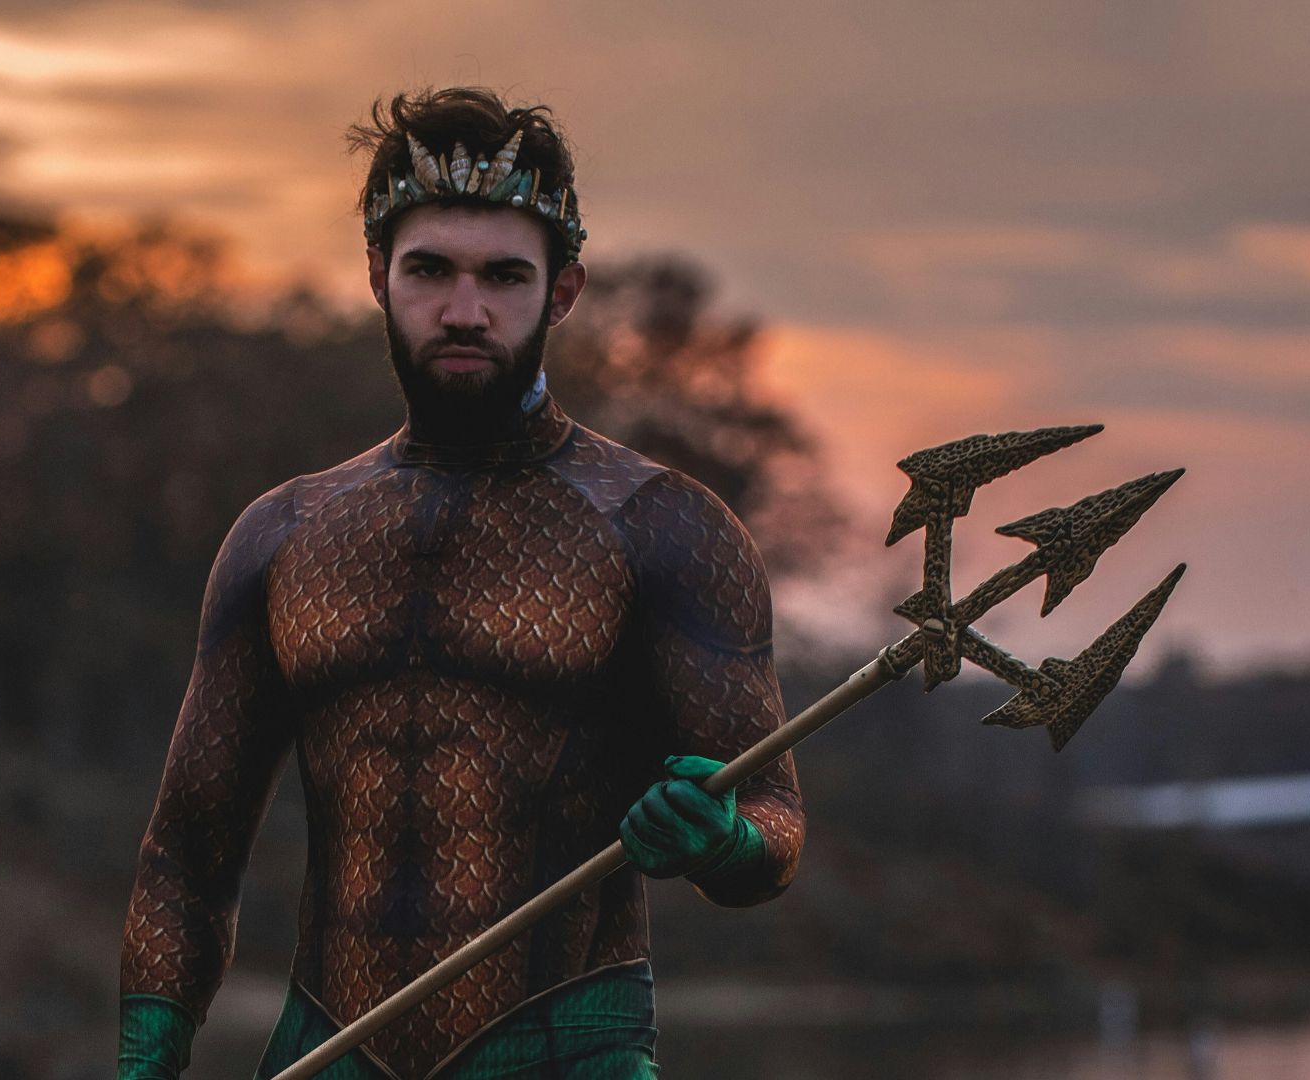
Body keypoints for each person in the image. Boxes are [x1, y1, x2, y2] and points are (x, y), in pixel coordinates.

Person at [118, 87, 805, 1080]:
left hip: (571, 1052)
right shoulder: (283, 535)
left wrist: (722, 837)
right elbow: (186, 855)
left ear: (562, 292)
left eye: (504, 276)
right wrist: (146, 1059)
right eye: (431, 270)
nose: (466, 309)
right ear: (377, 276)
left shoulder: (663, 526)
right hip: (328, 1053)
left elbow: (776, 825)